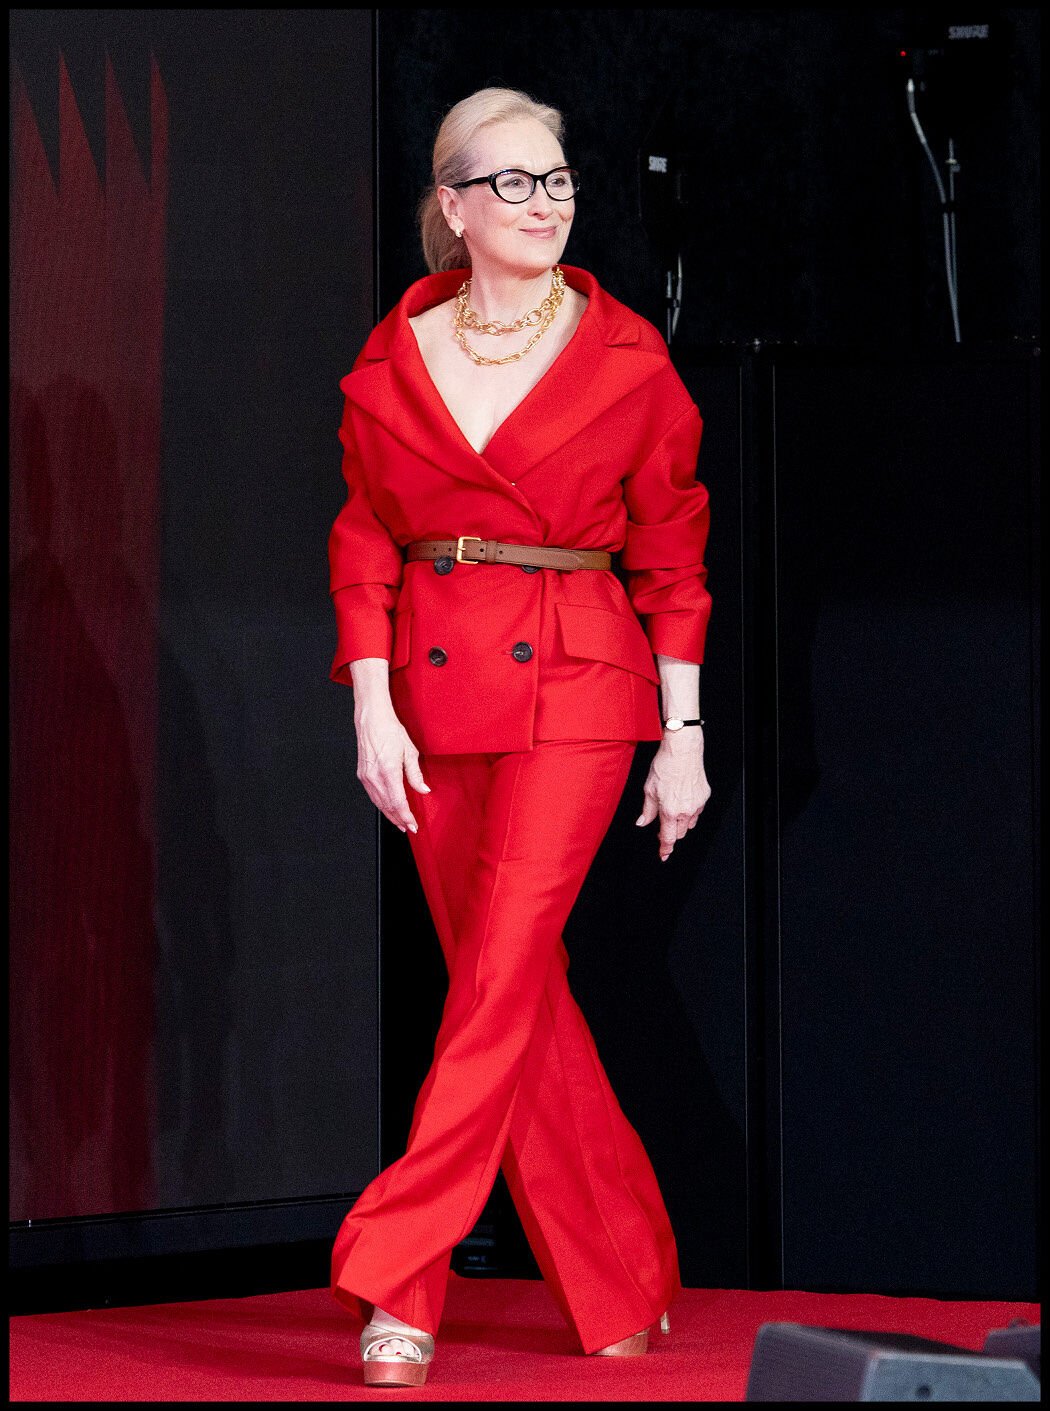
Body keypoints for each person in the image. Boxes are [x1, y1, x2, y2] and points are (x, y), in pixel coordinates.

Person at [327, 86, 712, 1388]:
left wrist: (685, 735)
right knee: (517, 998)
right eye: (515, 184)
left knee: (494, 984)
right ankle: (619, 1278)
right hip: (436, 700)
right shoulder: (393, 358)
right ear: (451, 205)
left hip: (578, 684)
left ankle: (399, 1281)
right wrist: (371, 700)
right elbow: (364, 537)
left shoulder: (624, 359)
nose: (545, 204)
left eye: (557, 183)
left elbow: (671, 558)